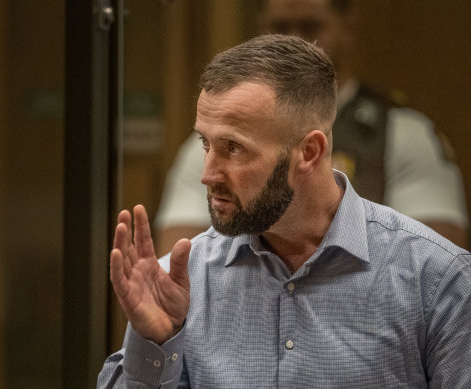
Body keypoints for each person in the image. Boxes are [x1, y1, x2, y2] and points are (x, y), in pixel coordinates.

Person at [98, 34, 471, 388]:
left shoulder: (437, 281)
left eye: (234, 148)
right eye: (205, 143)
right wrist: (156, 342)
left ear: (308, 153)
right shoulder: (180, 282)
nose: (208, 174)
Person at [154, 0, 469, 255]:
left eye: (311, 26)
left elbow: (434, 269)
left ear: (347, 27)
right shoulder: (220, 139)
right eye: (280, 27)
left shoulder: (403, 133)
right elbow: (181, 263)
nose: (295, 39)